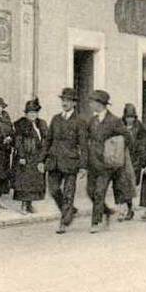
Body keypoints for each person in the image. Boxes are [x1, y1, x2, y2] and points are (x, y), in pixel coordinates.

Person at [84, 90, 129, 234]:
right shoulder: (92, 120)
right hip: (93, 163)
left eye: (92, 102)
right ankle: (107, 211)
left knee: (99, 192)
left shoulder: (114, 120)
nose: (90, 104)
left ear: (100, 104)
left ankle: (96, 222)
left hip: (106, 164)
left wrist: (115, 150)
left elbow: (127, 137)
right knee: (90, 191)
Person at [44, 87, 87, 234]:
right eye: (63, 100)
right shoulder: (55, 119)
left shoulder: (80, 121)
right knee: (54, 189)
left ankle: (63, 221)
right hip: (54, 160)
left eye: (68, 100)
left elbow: (83, 145)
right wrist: (41, 159)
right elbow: (48, 140)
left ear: (74, 103)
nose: (65, 103)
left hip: (70, 162)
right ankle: (70, 210)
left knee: (69, 193)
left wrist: (83, 166)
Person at [12, 98, 48, 213]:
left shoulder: (41, 124)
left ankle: (30, 204)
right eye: (30, 113)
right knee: (24, 182)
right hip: (25, 157)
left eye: (35, 113)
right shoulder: (21, 124)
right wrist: (21, 156)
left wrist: (43, 156)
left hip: (37, 157)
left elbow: (46, 139)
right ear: (26, 114)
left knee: (34, 182)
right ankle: (23, 205)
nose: (33, 115)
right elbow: (18, 141)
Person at [117, 103, 146, 221]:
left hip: (135, 160)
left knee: (131, 184)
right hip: (122, 158)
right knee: (122, 184)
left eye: (132, 117)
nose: (130, 119)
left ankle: (129, 208)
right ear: (124, 117)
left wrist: (143, 161)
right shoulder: (119, 126)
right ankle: (125, 209)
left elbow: (144, 143)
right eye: (128, 117)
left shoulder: (139, 127)